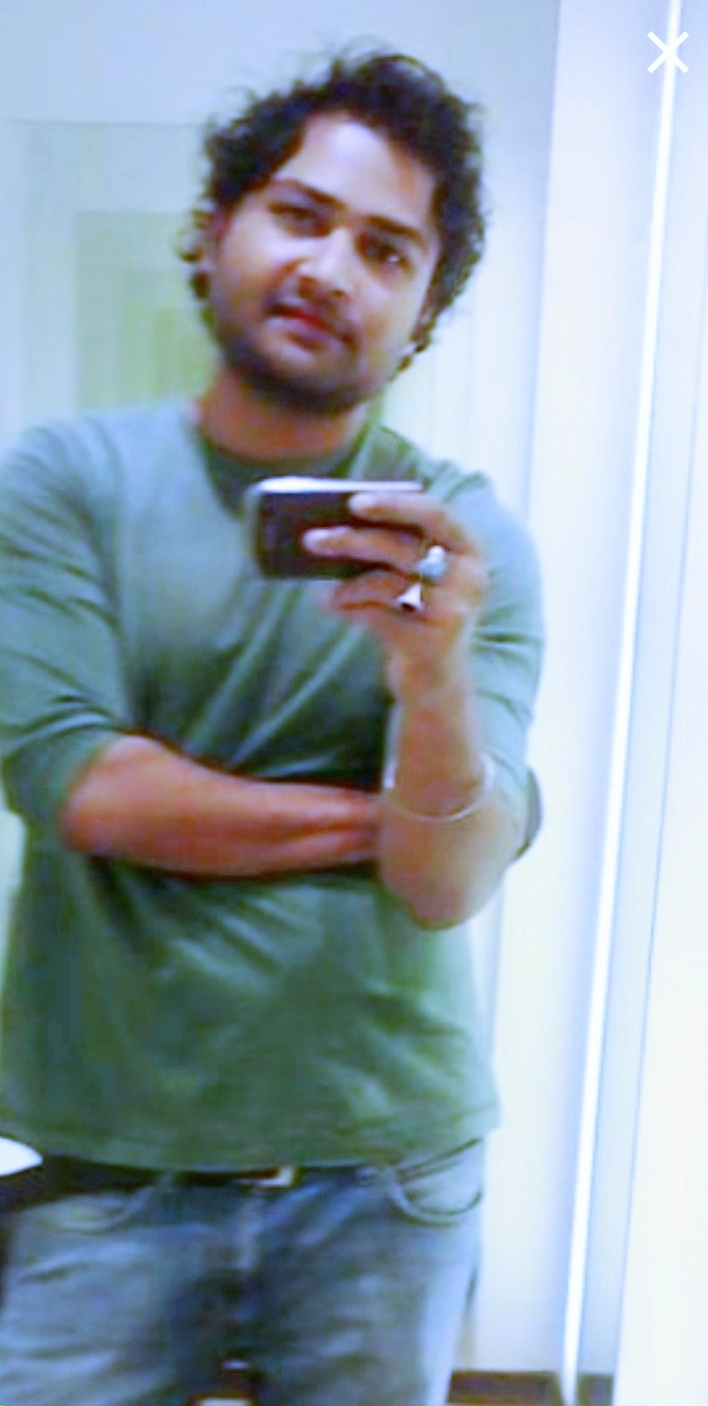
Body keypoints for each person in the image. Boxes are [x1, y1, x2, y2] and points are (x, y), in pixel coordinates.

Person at [0, 48, 544, 1406]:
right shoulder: (63, 482)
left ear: (422, 314)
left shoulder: (465, 546)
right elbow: (84, 787)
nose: (331, 267)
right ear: (216, 229)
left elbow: (443, 885)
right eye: (300, 215)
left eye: (386, 250)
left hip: (388, 1169)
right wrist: (393, 819)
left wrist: (432, 677)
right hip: (104, 1161)